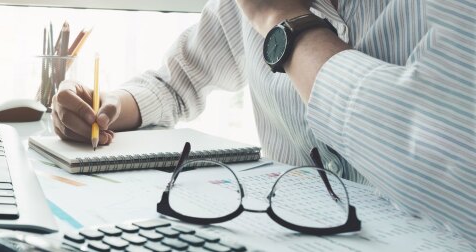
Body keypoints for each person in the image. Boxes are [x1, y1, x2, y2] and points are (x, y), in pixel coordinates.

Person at [51, 0, 475, 244]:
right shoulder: (235, 8)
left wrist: (282, 20)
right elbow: (175, 84)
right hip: (280, 237)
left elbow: (453, 169)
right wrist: (109, 105)